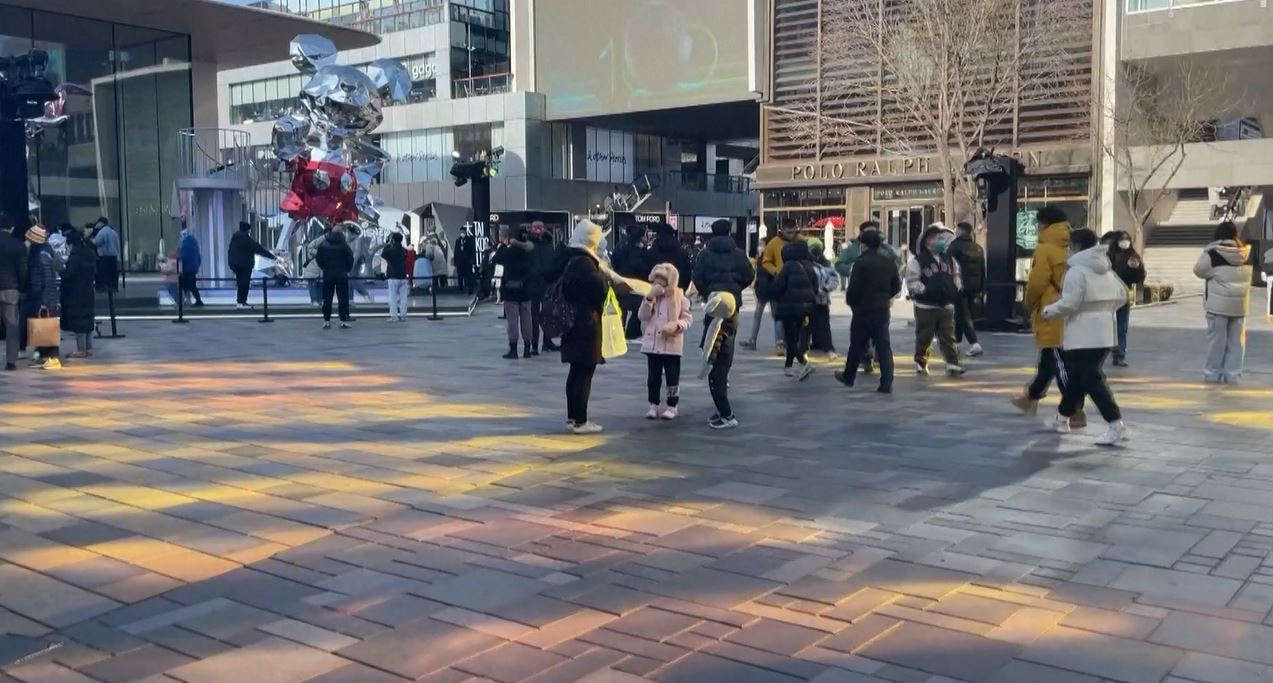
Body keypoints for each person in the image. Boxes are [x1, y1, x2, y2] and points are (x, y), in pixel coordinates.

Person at [1042, 228, 1130, 445]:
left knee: (1091, 379)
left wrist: (1049, 311)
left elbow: (1071, 303)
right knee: (1077, 378)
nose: (1068, 250)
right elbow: (1122, 295)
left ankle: (1116, 424)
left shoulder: (1077, 271)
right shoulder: (1106, 269)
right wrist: (1103, 309)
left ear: (1077, 247)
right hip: (1104, 332)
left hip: (1082, 334)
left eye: (1069, 246)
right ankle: (1062, 418)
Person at [543, 220, 614, 434]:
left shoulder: (569, 259)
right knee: (584, 373)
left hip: (572, 323)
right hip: (585, 324)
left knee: (576, 372)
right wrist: (604, 270)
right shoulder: (585, 263)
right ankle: (581, 420)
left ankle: (572, 417)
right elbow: (600, 290)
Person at [1013, 206, 1071, 417]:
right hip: (1069, 308)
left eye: (1038, 224)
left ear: (1045, 224)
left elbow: (1037, 283)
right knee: (1048, 359)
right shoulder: (1070, 245)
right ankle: (1029, 397)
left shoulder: (1045, 249)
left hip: (1050, 310)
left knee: (1057, 359)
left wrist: (1027, 304)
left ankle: (1074, 410)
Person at [835, 229, 902, 393]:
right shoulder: (888, 263)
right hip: (881, 309)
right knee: (883, 345)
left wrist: (852, 303)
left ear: (863, 246)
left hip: (863, 310)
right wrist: (885, 297)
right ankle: (886, 381)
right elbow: (897, 286)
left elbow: (853, 289)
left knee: (857, 345)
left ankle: (849, 376)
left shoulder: (860, 263)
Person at [1194, 221, 1252, 384]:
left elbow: (1198, 270)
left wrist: (1208, 249)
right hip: (1239, 306)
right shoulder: (1245, 254)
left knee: (1216, 343)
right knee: (1237, 344)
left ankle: (1212, 375)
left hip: (1218, 306)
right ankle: (1233, 376)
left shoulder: (1213, 254)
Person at [904, 223, 965, 377]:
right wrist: (925, 290)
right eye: (935, 238)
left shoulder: (949, 259)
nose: (939, 240)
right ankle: (921, 361)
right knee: (925, 335)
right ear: (927, 241)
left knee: (948, 335)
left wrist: (955, 289)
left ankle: (952, 362)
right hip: (925, 305)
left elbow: (956, 275)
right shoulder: (917, 260)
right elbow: (912, 280)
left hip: (946, 304)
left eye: (940, 237)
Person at [638, 262, 693, 420]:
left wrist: (676, 326)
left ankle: (672, 405)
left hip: (671, 344)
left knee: (672, 376)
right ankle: (653, 404)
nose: (659, 283)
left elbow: (687, 319)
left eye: (662, 280)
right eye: (656, 279)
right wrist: (649, 298)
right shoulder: (651, 295)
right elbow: (643, 316)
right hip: (652, 344)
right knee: (653, 377)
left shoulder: (679, 297)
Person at [744, 219, 799, 351]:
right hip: (769, 288)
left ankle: (776, 342)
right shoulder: (768, 252)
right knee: (770, 315)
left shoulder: (769, 253)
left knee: (774, 315)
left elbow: (765, 271)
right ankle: (769, 341)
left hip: (772, 287)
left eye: (761, 244)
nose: (760, 247)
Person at [770, 239, 818, 380]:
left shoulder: (789, 266)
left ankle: (803, 362)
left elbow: (779, 286)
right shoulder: (809, 265)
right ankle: (788, 366)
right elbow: (815, 285)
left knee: (790, 339)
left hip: (789, 306)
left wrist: (773, 295)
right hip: (805, 307)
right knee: (794, 336)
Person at [691, 218, 755, 318]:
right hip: (733, 298)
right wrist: (737, 287)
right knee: (731, 328)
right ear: (729, 232)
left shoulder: (704, 254)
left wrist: (706, 292)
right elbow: (750, 275)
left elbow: (697, 277)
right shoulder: (739, 254)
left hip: (713, 298)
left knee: (711, 329)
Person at [1100, 230, 1146, 367]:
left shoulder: (1133, 256)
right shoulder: (1108, 255)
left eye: (1127, 239)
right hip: (1107, 294)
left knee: (1122, 327)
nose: (1125, 242)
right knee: (1105, 325)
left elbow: (1140, 277)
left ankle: (1119, 354)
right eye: (1122, 240)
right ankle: (1103, 352)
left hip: (1124, 294)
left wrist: (1135, 269)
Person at [24, 225, 63, 370]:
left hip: (44, 298)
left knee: (48, 327)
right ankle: (46, 355)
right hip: (44, 297)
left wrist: (44, 301)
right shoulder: (44, 251)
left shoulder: (41, 255)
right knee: (45, 327)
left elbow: (46, 278)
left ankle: (52, 357)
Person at [493, 226, 535, 358]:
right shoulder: (529, 252)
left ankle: (514, 349)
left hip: (510, 290)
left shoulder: (507, 252)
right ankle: (528, 348)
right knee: (527, 319)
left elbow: (495, 260)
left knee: (512, 321)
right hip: (526, 290)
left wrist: (503, 246)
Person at [947, 221, 986, 357]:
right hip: (974, 287)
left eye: (956, 229)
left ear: (960, 231)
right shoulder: (978, 248)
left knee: (963, 314)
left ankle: (974, 343)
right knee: (961, 313)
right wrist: (981, 288)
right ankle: (956, 341)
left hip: (959, 286)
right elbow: (982, 269)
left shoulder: (954, 247)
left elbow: (949, 267)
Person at [702, 292, 740, 429]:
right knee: (718, 383)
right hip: (724, 360)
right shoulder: (729, 320)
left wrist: (708, 362)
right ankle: (721, 411)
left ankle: (728, 415)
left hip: (720, 360)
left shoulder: (721, 327)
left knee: (717, 386)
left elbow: (715, 345)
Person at [60, 229, 97, 359]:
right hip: (88, 290)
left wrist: (60, 268)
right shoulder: (90, 254)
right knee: (87, 318)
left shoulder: (75, 257)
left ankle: (80, 350)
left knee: (79, 320)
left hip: (76, 292)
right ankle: (87, 347)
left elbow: (68, 274)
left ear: (71, 244)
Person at [611, 224, 651, 340]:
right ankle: (631, 332)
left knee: (621, 308)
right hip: (636, 283)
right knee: (637, 308)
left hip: (621, 281)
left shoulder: (620, 246)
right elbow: (643, 266)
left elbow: (614, 261)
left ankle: (619, 331)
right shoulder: (639, 250)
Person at [528, 222, 561, 354]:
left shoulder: (547, 245)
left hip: (546, 284)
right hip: (535, 284)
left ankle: (545, 342)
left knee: (547, 314)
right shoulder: (531, 245)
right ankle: (535, 344)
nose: (537, 231)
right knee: (535, 315)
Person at [0, 213, 27, 371]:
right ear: (12, 228)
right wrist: (22, 287)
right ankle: (11, 361)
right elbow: (22, 270)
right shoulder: (18, 245)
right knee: (12, 326)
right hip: (11, 289)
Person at [228, 221, 275, 310]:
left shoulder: (234, 239)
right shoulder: (246, 239)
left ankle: (239, 302)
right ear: (247, 230)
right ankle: (242, 301)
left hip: (236, 265)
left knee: (240, 283)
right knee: (245, 283)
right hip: (245, 265)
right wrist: (271, 256)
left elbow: (230, 252)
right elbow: (258, 249)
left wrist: (231, 264)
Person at [806, 236, 839, 360]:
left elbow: (834, 278)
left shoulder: (826, 263)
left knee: (823, 324)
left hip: (822, 299)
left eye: (818, 249)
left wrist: (825, 288)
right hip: (809, 299)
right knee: (808, 324)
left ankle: (826, 346)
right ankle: (812, 345)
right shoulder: (806, 263)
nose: (816, 252)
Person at [316, 225, 354, 329]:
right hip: (341, 274)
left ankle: (326, 320)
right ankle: (343, 320)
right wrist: (346, 270)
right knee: (343, 298)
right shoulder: (345, 245)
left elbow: (319, 259)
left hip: (328, 274)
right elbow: (350, 260)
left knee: (327, 298)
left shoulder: (323, 244)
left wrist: (325, 268)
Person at [381, 232, 410, 322]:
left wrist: (387, 243)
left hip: (393, 276)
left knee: (393, 297)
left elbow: (383, 254)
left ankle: (394, 316)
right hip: (403, 275)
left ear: (393, 240)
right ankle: (403, 315)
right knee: (403, 297)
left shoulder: (390, 250)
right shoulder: (404, 251)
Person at [90, 216, 120, 292]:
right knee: (113, 273)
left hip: (104, 255)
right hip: (113, 255)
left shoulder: (102, 232)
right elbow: (117, 244)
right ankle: (114, 287)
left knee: (104, 273)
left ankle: (104, 288)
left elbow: (98, 242)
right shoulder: (113, 232)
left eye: (98, 223)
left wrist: (91, 240)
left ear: (101, 223)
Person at [177, 227, 204, 307]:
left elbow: (183, 257)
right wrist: (197, 266)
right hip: (193, 269)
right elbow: (199, 258)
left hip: (187, 269)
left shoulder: (185, 245)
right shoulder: (194, 244)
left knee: (184, 285)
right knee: (192, 285)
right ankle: (197, 300)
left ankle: (185, 301)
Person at [303, 228, 328, 306]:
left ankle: (318, 300)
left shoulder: (328, 245)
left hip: (322, 270)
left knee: (320, 285)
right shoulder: (319, 242)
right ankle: (315, 300)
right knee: (314, 284)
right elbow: (311, 248)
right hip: (314, 269)